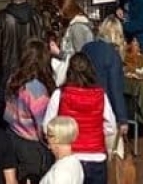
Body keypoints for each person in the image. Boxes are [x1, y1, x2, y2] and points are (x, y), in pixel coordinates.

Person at [42, 54, 115, 184]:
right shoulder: (101, 95)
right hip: (96, 157)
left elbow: (47, 125)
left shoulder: (60, 95)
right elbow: (110, 126)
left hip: (70, 158)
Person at [4, 41, 55, 183]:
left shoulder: (13, 79)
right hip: (31, 146)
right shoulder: (37, 89)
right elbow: (42, 125)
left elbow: (8, 113)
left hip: (13, 135)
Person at [80, 19, 129, 154]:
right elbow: (116, 90)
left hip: (84, 106)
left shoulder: (86, 47)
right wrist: (122, 119)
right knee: (115, 153)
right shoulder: (113, 55)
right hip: (104, 110)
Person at [0, 0, 44, 86]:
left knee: (10, 98)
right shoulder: (36, 16)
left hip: (9, 69)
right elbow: (42, 43)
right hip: (32, 68)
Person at [38, 116, 85, 184]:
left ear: (55, 138)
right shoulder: (75, 162)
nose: (46, 138)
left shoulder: (60, 173)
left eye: (48, 135)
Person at [56, 0, 94, 64]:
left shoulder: (77, 27)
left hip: (76, 72)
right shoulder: (77, 25)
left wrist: (59, 53)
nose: (59, 13)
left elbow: (79, 59)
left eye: (59, 9)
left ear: (66, 10)